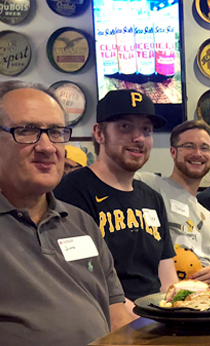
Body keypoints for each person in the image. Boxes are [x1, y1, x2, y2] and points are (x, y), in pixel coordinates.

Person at [0, 81, 132, 345]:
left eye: (56, 132)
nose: (48, 147)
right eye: (27, 130)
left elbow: (117, 316)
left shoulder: (81, 222)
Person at [54, 90, 177, 316]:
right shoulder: (72, 191)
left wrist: (178, 314)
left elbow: (167, 276)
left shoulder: (152, 198)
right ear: (99, 133)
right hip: (108, 320)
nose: (138, 138)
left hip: (157, 319)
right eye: (125, 127)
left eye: (146, 130)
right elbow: (85, 280)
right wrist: (149, 322)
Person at [135, 120, 210, 283]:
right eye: (188, 146)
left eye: (204, 148)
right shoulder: (149, 185)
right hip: (160, 295)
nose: (198, 153)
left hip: (203, 299)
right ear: (173, 152)